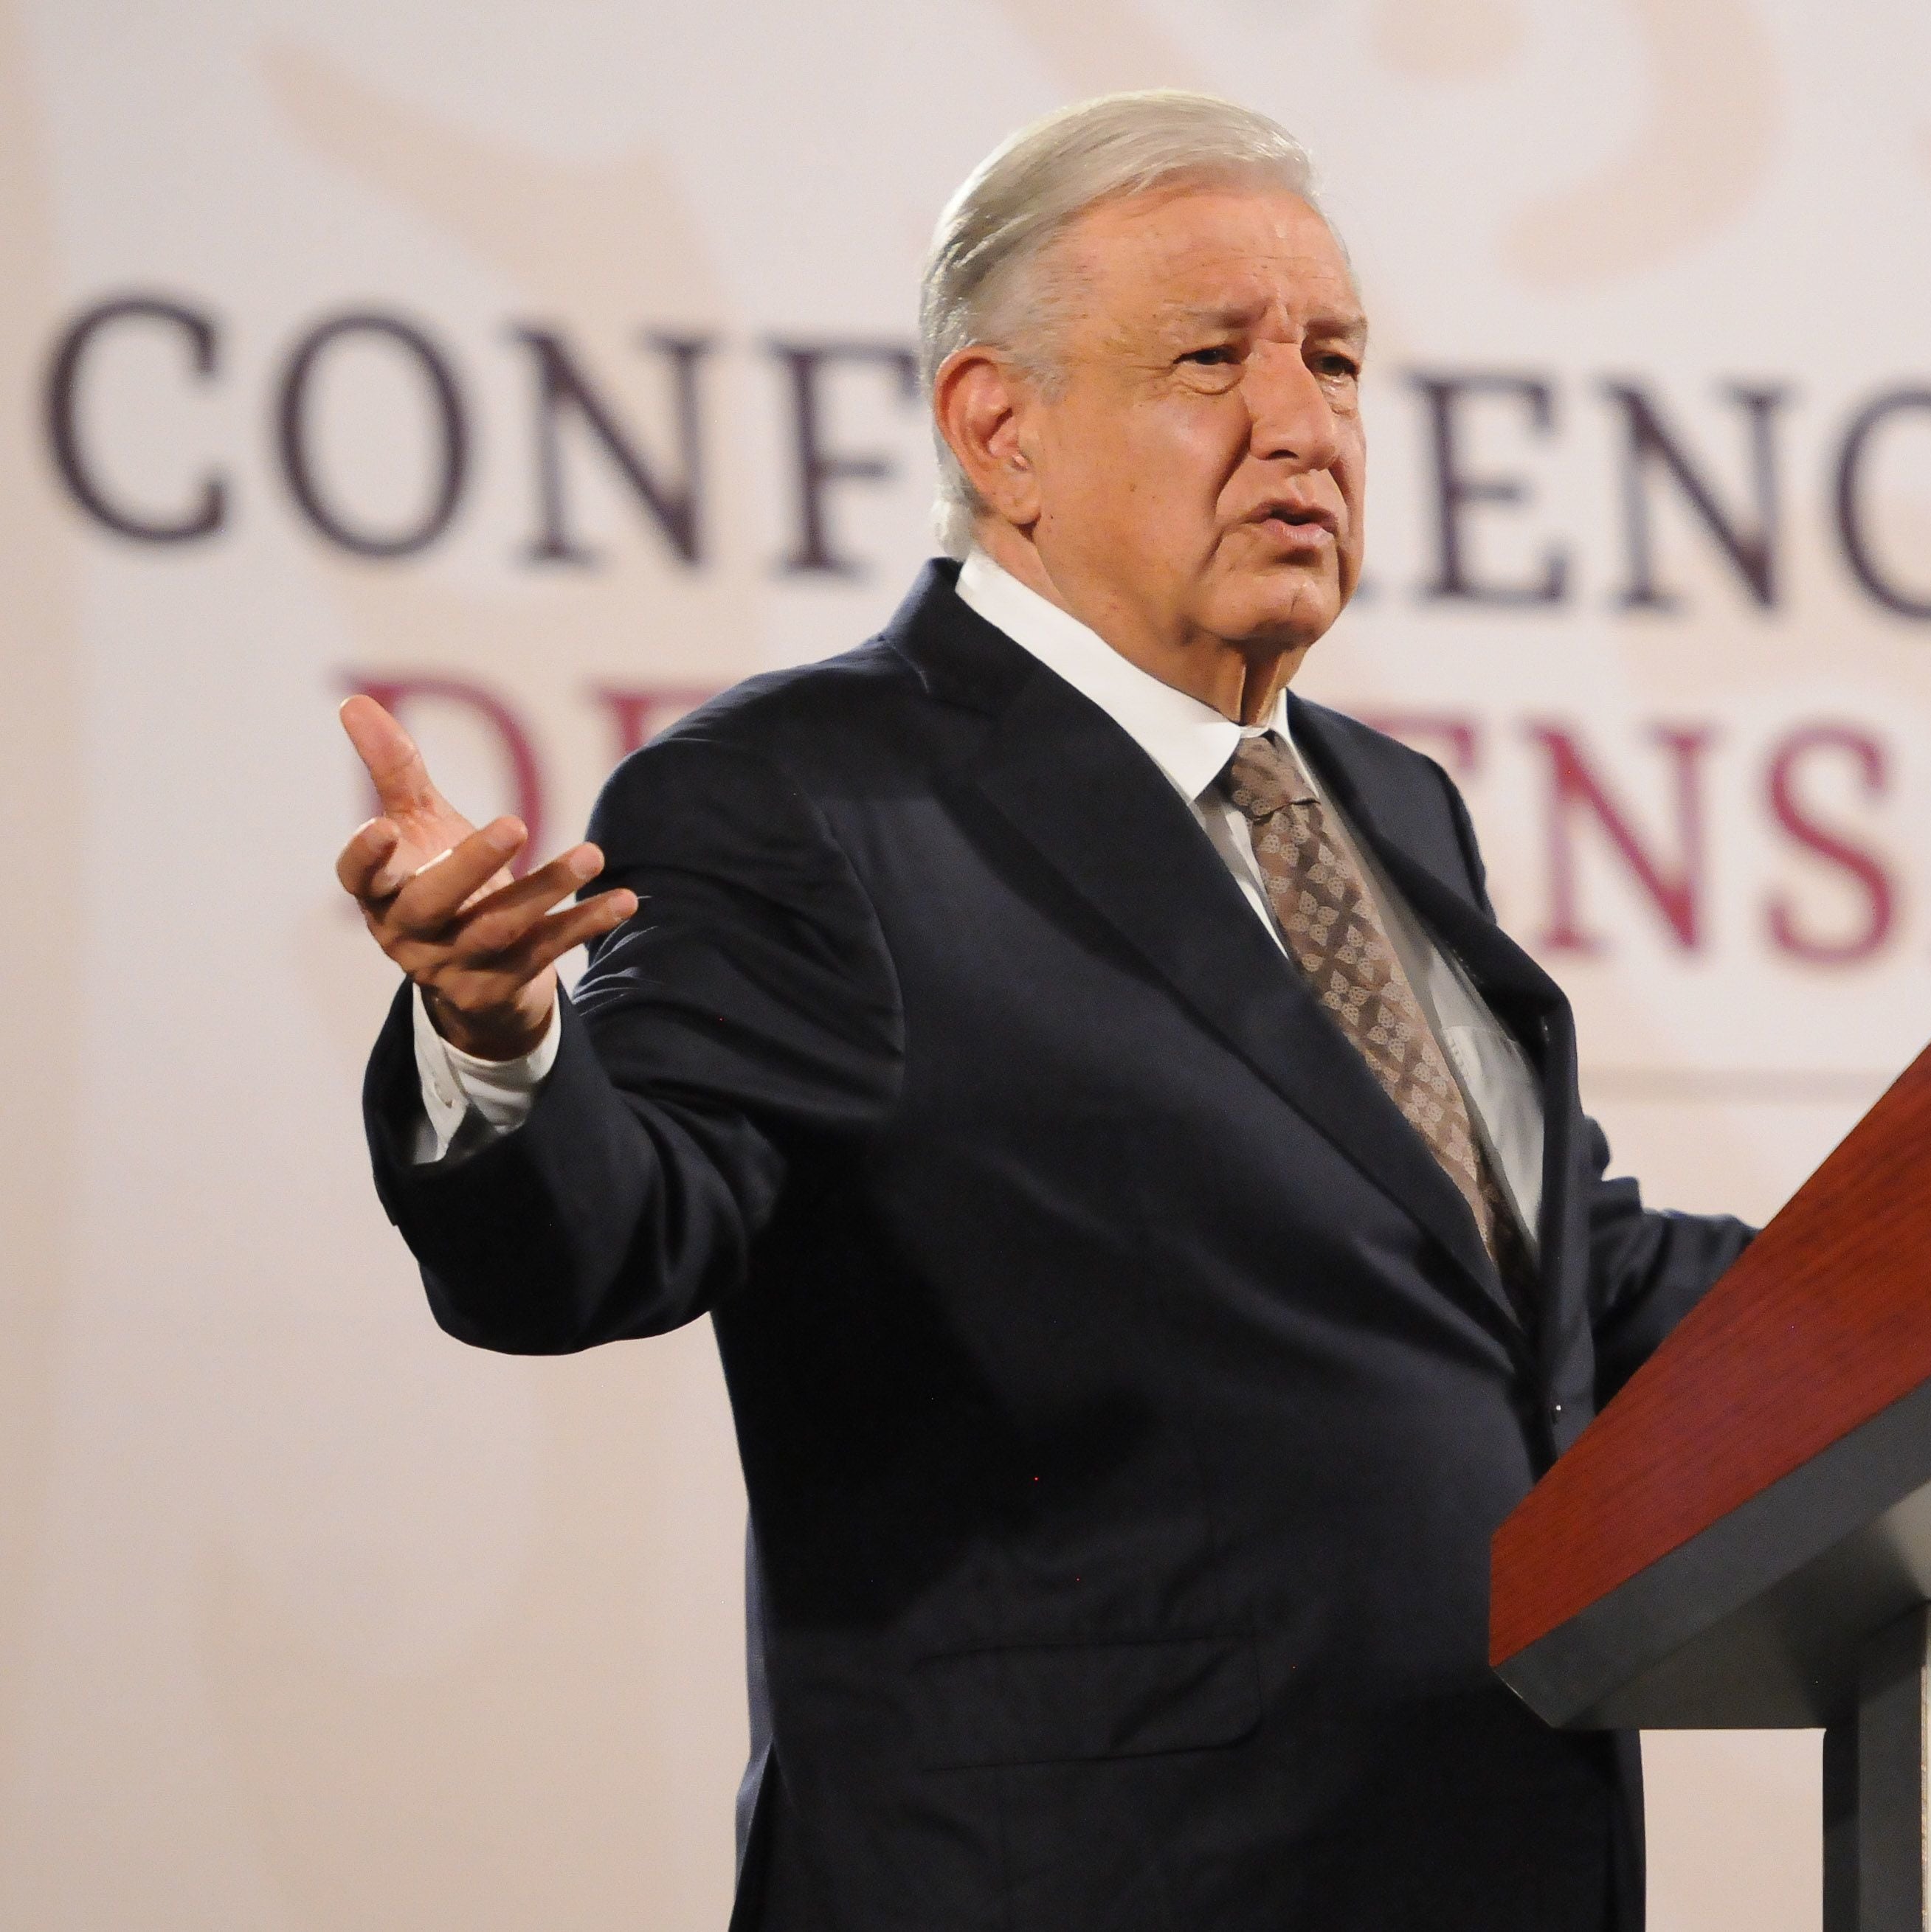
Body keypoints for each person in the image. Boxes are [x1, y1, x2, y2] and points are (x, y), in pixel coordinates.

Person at [336, 90, 1751, 1932]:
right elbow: (610, 1230)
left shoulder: (1391, 808)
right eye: (1207, 360)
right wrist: (503, 1042)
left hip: (1483, 1859)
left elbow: (1545, 1267)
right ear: (999, 429)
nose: (1299, 424)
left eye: (1333, 360)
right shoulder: (806, 795)